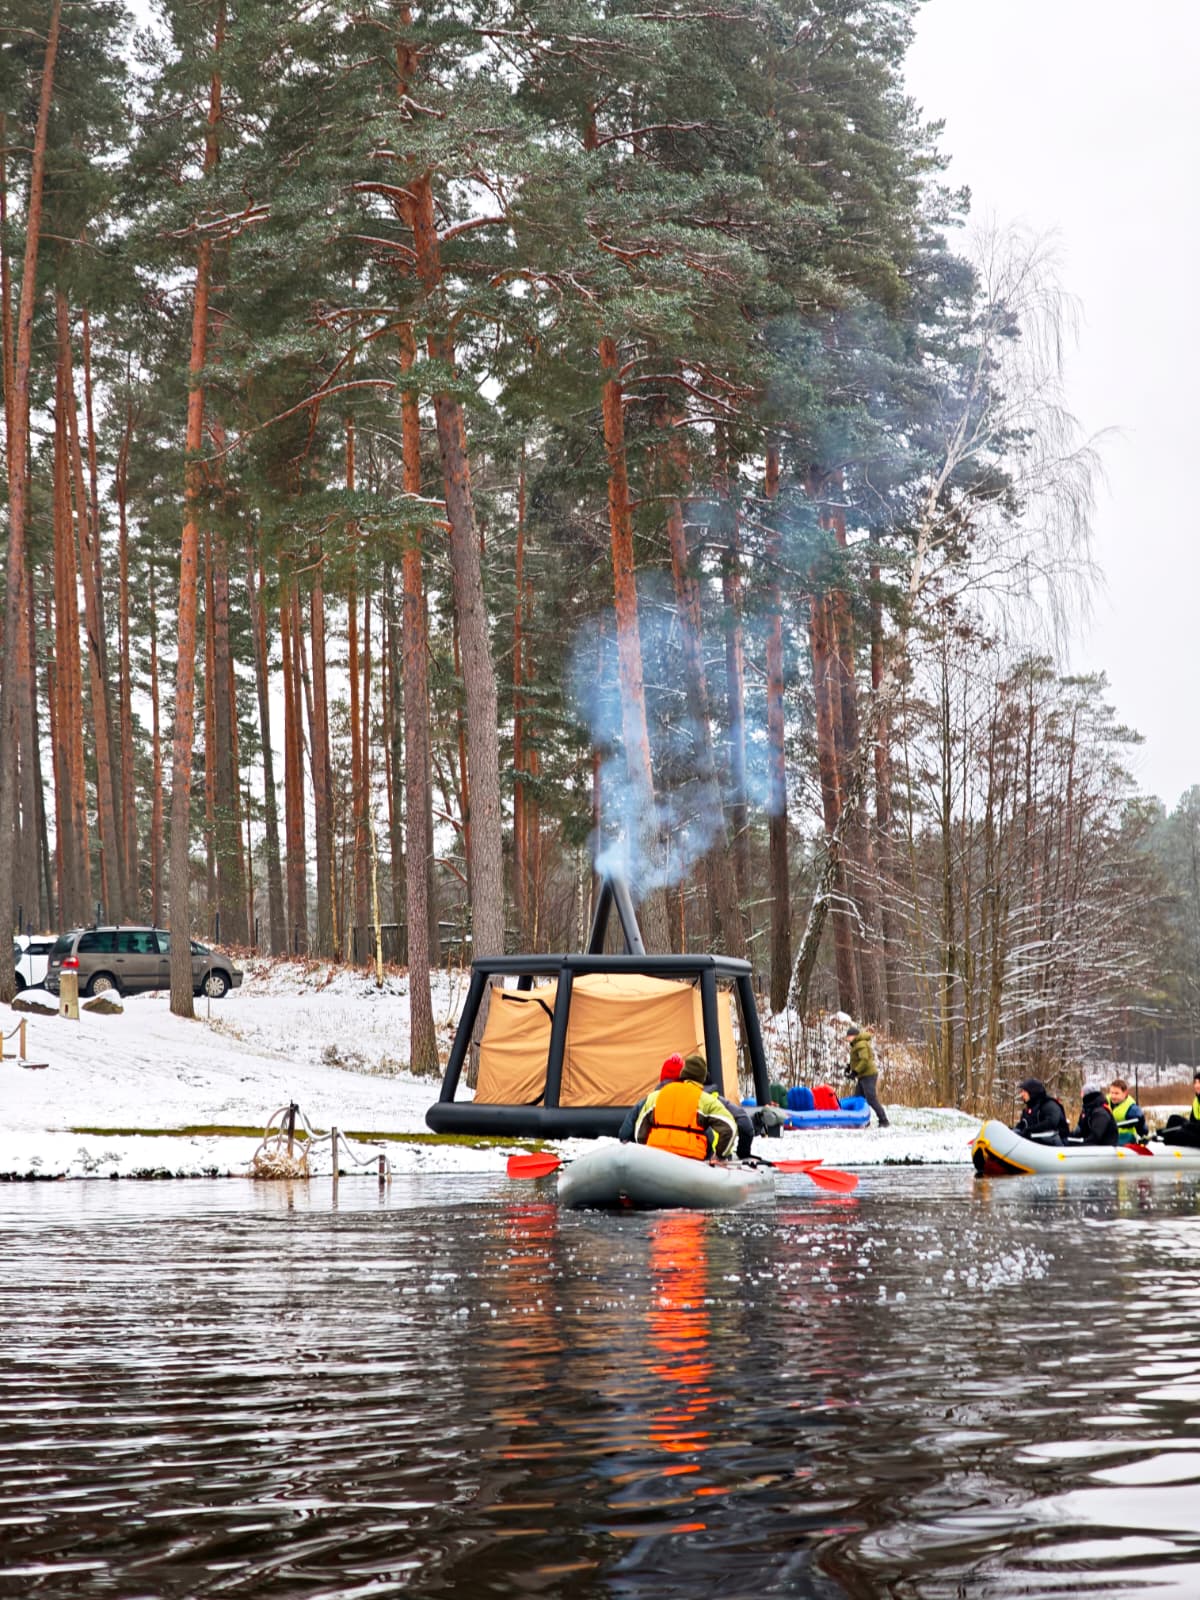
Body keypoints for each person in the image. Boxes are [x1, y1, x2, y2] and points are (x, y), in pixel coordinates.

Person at [634, 1052, 738, 1161]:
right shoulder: (706, 1101)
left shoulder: (656, 1096)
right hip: (691, 1160)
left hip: (656, 1157)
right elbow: (730, 1128)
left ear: (683, 1073)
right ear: (702, 1078)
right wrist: (720, 1155)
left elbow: (639, 1130)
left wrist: (646, 1151)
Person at [619, 1053, 685, 1143]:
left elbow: (625, 1133)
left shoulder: (647, 1101)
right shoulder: (692, 1102)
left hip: (653, 1150)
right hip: (684, 1152)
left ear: (662, 1076)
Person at [844, 1024, 890, 1128]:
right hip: (862, 1075)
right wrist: (849, 1067)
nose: (847, 1038)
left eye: (849, 1036)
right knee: (858, 1099)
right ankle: (863, 1121)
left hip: (868, 1075)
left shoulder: (861, 1044)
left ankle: (884, 1120)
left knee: (871, 1098)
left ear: (854, 1036)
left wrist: (855, 1072)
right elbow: (857, 1059)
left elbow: (864, 1060)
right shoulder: (856, 1045)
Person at [1013, 1078, 1069, 1145]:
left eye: (1024, 1091)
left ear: (1032, 1092)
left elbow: (1051, 1123)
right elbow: (1023, 1124)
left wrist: (1029, 1130)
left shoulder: (1049, 1105)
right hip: (1037, 1144)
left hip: (1055, 1144)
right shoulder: (1029, 1108)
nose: (1022, 1094)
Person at [1159, 1071, 1200, 1148]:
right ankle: (1166, 1141)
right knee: (1173, 1119)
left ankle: (1169, 1149)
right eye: (1195, 1083)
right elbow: (1192, 1121)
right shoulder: (1196, 1101)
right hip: (1197, 1130)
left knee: (1179, 1133)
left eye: (1199, 1082)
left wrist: (1188, 1126)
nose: (1197, 1085)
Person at [1071, 1081, 1119, 1146]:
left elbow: (1095, 1137)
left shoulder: (1100, 1112)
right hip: (1093, 1147)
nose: (1081, 1095)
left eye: (1082, 1093)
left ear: (1087, 1094)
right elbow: (1081, 1131)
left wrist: (1079, 1144)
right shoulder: (1087, 1109)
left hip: (1105, 1149)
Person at [1107, 1078, 1149, 1144]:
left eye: (1116, 1093)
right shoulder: (1105, 1101)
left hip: (1125, 1138)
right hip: (1108, 1137)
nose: (1113, 1096)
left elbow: (1143, 1130)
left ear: (1125, 1093)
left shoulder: (1132, 1109)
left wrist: (1144, 1137)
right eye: (1111, 1093)